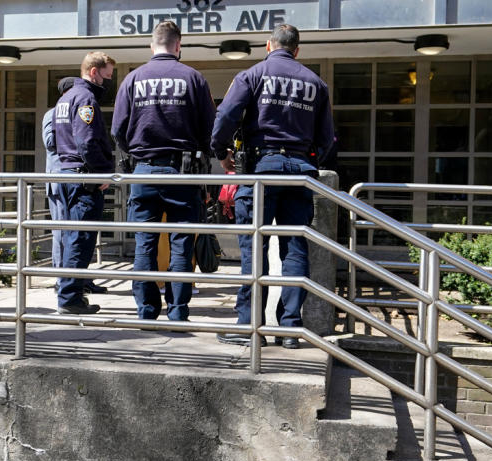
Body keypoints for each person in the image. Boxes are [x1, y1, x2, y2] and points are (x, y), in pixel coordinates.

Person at [210, 24, 334, 349]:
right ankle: (291, 329)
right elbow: (326, 138)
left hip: (262, 165)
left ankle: (251, 327)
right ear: (297, 49)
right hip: (300, 170)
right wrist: (309, 159)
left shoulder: (253, 74)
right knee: (295, 246)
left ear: (269, 45)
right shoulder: (316, 83)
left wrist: (221, 152)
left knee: (255, 247)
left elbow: (224, 116)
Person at [111, 21, 215, 322]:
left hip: (144, 171)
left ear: (151, 45)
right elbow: (210, 128)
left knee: (144, 243)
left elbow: (118, 129)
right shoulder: (193, 78)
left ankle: (146, 311)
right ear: (178, 45)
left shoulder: (132, 79)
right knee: (182, 243)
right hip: (183, 172)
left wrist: (135, 152)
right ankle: (178, 312)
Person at [53, 51, 116, 315]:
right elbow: (87, 141)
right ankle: (70, 299)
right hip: (83, 178)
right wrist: (101, 172)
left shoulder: (65, 98)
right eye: (107, 76)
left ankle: (69, 294)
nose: (107, 82)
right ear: (94, 72)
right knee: (81, 239)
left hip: (67, 173)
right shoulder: (86, 97)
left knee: (71, 238)